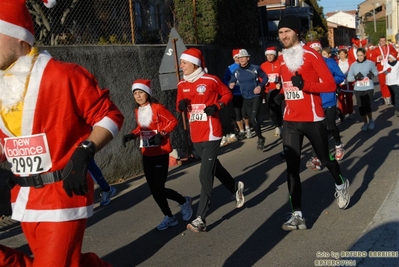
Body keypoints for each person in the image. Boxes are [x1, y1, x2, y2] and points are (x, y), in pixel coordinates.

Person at [0, 0, 124, 266]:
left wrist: (83, 153)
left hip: (62, 194)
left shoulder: (63, 75)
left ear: (20, 38)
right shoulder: (1, 89)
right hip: (23, 198)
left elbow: (110, 116)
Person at [277, 15, 351, 231]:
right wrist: (280, 94)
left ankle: (340, 183)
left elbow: (329, 84)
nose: (284, 36)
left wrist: (307, 85)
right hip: (290, 120)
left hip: (312, 118)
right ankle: (297, 216)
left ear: (296, 33)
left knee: (325, 160)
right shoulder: (282, 58)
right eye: (281, 33)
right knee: (292, 168)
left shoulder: (311, 55)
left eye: (287, 32)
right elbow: (288, 86)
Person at [176, 48, 245, 233]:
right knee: (214, 166)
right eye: (181, 62)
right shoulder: (182, 84)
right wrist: (181, 106)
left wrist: (217, 106)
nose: (181, 65)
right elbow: (179, 104)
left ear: (195, 64)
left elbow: (227, 95)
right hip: (196, 134)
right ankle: (235, 187)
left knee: (204, 174)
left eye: (184, 62)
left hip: (212, 132)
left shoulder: (211, 80)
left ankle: (201, 218)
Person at [123, 79, 192, 230]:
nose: (138, 96)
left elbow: (173, 121)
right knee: (153, 189)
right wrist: (132, 135)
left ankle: (183, 201)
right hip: (147, 153)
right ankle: (169, 216)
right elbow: (141, 128)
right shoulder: (137, 110)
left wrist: (162, 134)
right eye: (135, 93)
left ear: (147, 93)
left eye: (141, 92)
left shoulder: (157, 107)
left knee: (159, 188)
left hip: (160, 152)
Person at [229, 49, 269, 150]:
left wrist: (260, 86)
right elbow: (232, 79)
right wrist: (231, 83)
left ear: (248, 58)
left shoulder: (255, 68)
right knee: (249, 118)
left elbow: (265, 77)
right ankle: (260, 136)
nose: (241, 59)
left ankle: (260, 139)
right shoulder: (237, 71)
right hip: (245, 98)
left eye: (243, 57)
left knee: (253, 119)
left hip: (256, 97)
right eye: (239, 58)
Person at [347, 48, 379, 131]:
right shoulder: (353, 65)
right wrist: (355, 77)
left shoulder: (370, 63)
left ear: (365, 55)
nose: (360, 57)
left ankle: (371, 121)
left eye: (361, 55)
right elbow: (349, 78)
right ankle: (365, 123)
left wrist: (371, 74)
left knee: (367, 105)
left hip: (368, 87)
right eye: (358, 55)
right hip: (358, 88)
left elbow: (376, 72)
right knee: (360, 107)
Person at [222, 49, 250, 141]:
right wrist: (230, 84)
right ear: (234, 58)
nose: (239, 59)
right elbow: (225, 79)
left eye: (240, 57)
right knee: (237, 113)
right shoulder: (230, 68)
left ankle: (248, 128)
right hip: (235, 93)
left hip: (245, 93)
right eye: (237, 57)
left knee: (245, 113)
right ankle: (241, 131)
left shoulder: (246, 66)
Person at [260, 46, 284, 137]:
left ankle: (282, 125)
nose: (269, 57)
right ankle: (277, 126)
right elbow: (260, 77)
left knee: (280, 109)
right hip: (268, 91)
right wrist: (263, 83)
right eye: (268, 55)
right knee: (272, 111)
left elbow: (284, 76)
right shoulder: (263, 65)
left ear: (275, 55)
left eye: (271, 55)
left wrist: (280, 84)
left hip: (279, 90)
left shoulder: (280, 63)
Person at [371, 37, 398, 105]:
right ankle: (385, 97)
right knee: (383, 83)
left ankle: (389, 96)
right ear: (379, 41)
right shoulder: (376, 49)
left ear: (385, 41)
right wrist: (378, 58)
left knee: (389, 82)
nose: (382, 42)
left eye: (384, 40)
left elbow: (395, 53)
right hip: (381, 68)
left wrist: (391, 56)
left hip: (389, 68)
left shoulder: (390, 47)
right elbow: (372, 58)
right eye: (381, 41)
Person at [336, 47, 355, 120]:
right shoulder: (337, 62)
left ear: (346, 54)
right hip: (340, 83)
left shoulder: (350, 62)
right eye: (340, 54)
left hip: (348, 82)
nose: (341, 55)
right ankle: (342, 113)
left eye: (342, 54)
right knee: (340, 99)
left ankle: (350, 112)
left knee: (349, 98)